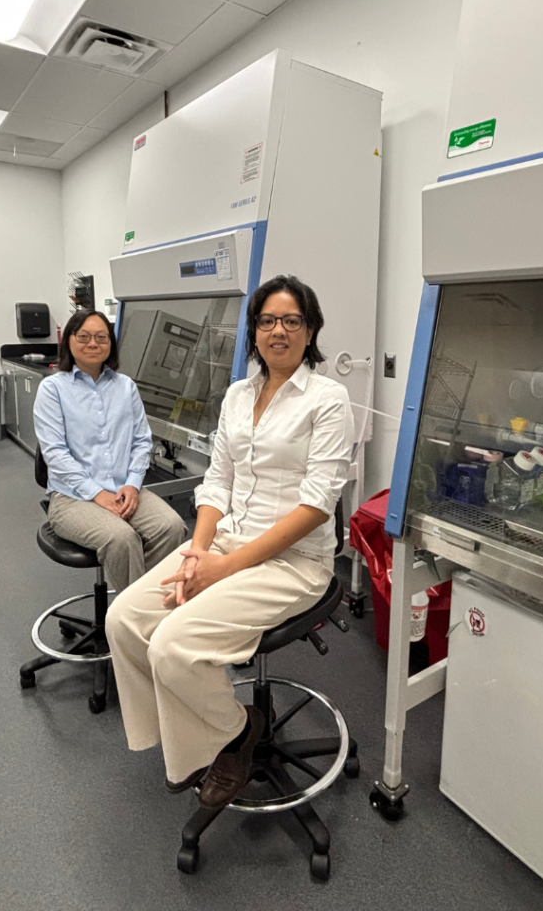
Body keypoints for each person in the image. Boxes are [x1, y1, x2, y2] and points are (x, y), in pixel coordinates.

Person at [105, 275, 353, 810]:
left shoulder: (328, 400)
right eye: (267, 320)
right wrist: (198, 549)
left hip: (293, 563)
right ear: (254, 331)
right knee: (123, 619)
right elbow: (217, 479)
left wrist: (225, 567)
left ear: (310, 332)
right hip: (223, 542)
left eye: (292, 321)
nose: (278, 331)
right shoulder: (239, 395)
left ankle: (236, 734)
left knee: (173, 644)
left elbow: (315, 507)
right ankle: (186, 744)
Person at [32, 309, 187, 594]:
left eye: (102, 337)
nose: (93, 343)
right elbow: (54, 453)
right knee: (121, 539)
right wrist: (96, 493)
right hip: (71, 497)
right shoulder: (52, 389)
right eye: (85, 337)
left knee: (172, 526)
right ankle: (132, 623)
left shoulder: (125, 387)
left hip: (122, 489)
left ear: (110, 344)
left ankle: (148, 606)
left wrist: (132, 484)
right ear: (69, 341)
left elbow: (142, 441)